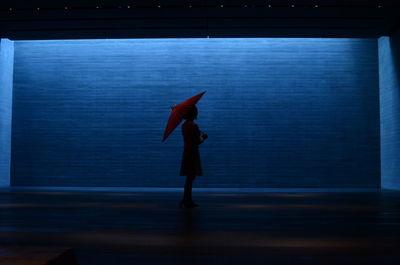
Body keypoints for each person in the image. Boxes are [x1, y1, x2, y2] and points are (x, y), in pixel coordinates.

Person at [180, 106, 208, 209]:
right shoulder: (193, 125)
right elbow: (196, 141)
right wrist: (203, 137)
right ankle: (187, 200)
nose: (197, 113)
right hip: (192, 152)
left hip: (187, 151)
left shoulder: (184, 125)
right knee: (191, 176)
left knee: (189, 177)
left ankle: (186, 199)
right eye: (196, 111)